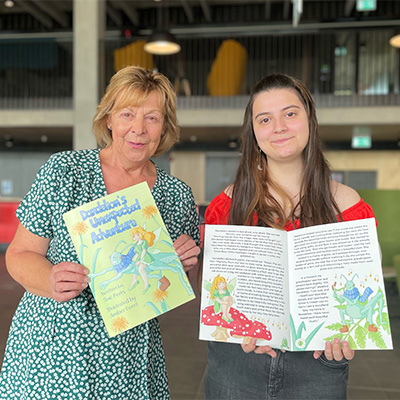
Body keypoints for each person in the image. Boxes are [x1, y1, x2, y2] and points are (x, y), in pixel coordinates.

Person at [0, 66, 200, 400]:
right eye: (127, 114)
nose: (138, 129)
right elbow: (19, 255)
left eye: (152, 117)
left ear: (164, 127)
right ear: (108, 119)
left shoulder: (177, 196)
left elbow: (169, 287)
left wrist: (180, 265)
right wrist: (50, 279)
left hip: (130, 354)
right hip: (55, 350)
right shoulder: (65, 171)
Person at [203, 73, 377, 400]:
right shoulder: (227, 204)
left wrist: (347, 333)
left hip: (317, 366)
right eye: (265, 119)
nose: (279, 127)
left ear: (309, 120)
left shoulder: (349, 206)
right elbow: (218, 293)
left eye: (290, 113)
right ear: (254, 133)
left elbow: (361, 294)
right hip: (236, 364)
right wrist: (238, 324)